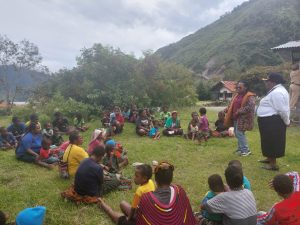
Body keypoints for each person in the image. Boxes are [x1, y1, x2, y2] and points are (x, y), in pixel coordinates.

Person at [98, 161, 196, 225]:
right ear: (171, 178)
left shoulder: (147, 198)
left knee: (122, 219)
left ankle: (104, 205)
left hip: (143, 217)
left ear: (156, 180)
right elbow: (187, 214)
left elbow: (139, 220)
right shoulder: (179, 190)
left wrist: (129, 219)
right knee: (125, 206)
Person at [257, 73, 290, 170]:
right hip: (268, 121)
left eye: (267, 81)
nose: (266, 83)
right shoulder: (275, 91)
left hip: (272, 121)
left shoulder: (277, 93)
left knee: (272, 141)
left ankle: (273, 165)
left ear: (273, 82)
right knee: (267, 141)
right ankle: (269, 158)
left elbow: (282, 110)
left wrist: (287, 121)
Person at [224, 80, 256, 156]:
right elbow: (231, 104)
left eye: (240, 87)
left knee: (239, 133)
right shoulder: (236, 95)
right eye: (237, 87)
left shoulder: (249, 96)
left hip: (243, 118)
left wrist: (239, 111)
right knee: (237, 133)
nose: (238, 89)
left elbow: (250, 106)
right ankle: (240, 149)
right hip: (235, 118)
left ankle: (246, 150)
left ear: (245, 88)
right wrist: (226, 109)